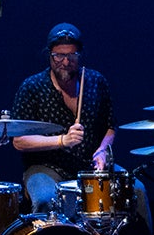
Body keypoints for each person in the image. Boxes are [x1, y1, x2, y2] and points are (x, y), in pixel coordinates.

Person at [9, 23, 116, 218]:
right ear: (49, 54)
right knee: (45, 199)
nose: (65, 62)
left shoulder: (96, 82)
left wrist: (102, 151)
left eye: (71, 56)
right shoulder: (32, 87)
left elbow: (109, 126)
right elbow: (19, 140)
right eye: (59, 56)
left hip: (89, 167)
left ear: (80, 55)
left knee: (138, 192)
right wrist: (62, 140)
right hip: (46, 167)